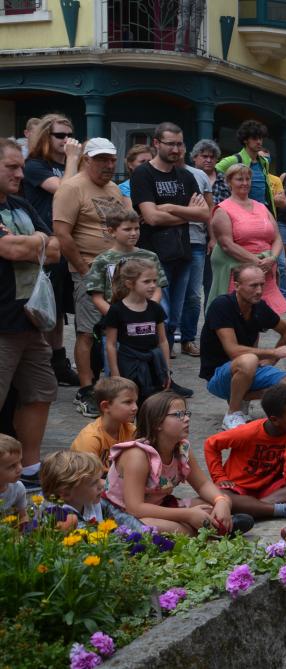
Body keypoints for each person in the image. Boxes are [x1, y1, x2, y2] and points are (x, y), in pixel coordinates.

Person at [54, 138, 133, 416]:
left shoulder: (112, 188)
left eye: (111, 160)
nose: (108, 165)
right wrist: (85, 270)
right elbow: (62, 234)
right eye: (101, 159)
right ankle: (86, 389)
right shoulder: (71, 188)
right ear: (86, 159)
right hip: (88, 269)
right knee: (87, 331)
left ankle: (113, 383)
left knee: (115, 328)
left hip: (117, 270)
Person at [0, 137, 62, 491]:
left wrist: (34, 242)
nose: (20, 174)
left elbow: (55, 249)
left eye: (21, 166)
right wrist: (38, 241)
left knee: (40, 391)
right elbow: (6, 248)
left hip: (32, 321)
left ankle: (29, 468)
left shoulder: (22, 204)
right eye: (11, 167)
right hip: (2, 323)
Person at [103, 392, 236, 535]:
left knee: (213, 504)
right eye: (179, 415)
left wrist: (221, 501)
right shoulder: (137, 455)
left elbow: (203, 484)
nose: (186, 419)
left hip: (159, 506)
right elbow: (135, 508)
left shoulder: (182, 448)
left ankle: (205, 528)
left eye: (186, 413)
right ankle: (206, 529)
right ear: (157, 423)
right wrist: (188, 515)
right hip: (123, 516)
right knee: (150, 526)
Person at [199, 264, 286, 429]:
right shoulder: (221, 305)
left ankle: (243, 397)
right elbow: (233, 350)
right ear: (237, 286)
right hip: (218, 375)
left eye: (261, 285)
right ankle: (232, 413)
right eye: (253, 285)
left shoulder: (259, 307)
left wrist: (270, 361)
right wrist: (273, 352)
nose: (259, 290)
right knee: (249, 360)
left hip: (250, 369)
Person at [130, 122, 210, 350]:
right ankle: (159, 357)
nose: (176, 149)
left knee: (176, 310)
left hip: (182, 252)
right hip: (153, 255)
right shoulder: (143, 174)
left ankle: (167, 353)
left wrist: (169, 208)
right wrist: (186, 214)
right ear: (156, 144)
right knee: (160, 312)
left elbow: (204, 213)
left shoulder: (185, 176)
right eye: (170, 144)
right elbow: (151, 218)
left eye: (179, 144)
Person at [23, 115, 83, 387]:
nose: (67, 141)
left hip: (68, 245)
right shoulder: (35, 166)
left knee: (59, 309)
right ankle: (44, 361)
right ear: (46, 137)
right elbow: (64, 193)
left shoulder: (71, 165)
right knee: (44, 307)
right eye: (60, 135)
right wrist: (72, 160)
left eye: (70, 135)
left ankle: (58, 360)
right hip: (46, 245)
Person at [204, 383, 286, 521]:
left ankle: (253, 509)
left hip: (267, 491)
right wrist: (220, 478)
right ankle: (274, 510)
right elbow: (211, 444)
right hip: (237, 489)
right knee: (223, 496)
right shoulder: (248, 432)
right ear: (275, 420)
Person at [208, 163, 286, 316]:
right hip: (240, 273)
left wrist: (272, 259)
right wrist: (257, 262)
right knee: (238, 317)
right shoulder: (223, 209)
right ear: (229, 182)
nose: (245, 183)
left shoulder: (262, 207)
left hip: (265, 271)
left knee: (258, 321)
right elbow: (227, 245)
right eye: (239, 179)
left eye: (248, 179)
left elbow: (277, 237)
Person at [102, 258, 173, 402]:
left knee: (152, 405)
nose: (152, 286)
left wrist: (166, 369)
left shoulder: (155, 308)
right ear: (130, 283)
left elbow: (163, 340)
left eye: (154, 281)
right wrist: (115, 373)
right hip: (128, 365)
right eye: (146, 281)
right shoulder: (116, 310)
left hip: (153, 364)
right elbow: (110, 344)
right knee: (129, 402)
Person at [180, 139, 220, 355]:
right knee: (168, 292)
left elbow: (209, 210)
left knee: (194, 294)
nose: (207, 160)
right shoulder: (153, 173)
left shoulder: (200, 176)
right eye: (203, 156)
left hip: (196, 240)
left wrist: (212, 238)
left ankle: (187, 338)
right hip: (168, 240)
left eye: (179, 144)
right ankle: (167, 337)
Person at [39, 450, 144, 531]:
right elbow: (91, 538)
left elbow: (122, 518)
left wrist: (147, 533)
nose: (101, 485)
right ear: (66, 493)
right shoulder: (58, 515)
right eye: (94, 483)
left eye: (99, 479)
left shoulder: (90, 501)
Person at [70, 376, 137, 469]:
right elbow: (85, 480)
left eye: (135, 402)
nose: (135, 407)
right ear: (105, 406)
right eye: (128, 402)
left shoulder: (131, 430)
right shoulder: (90, 439)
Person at [0, 434, 28, 523]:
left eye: (20, 461)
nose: (20, 468)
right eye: (12, 466)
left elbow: (23, 516)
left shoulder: (17, 488)